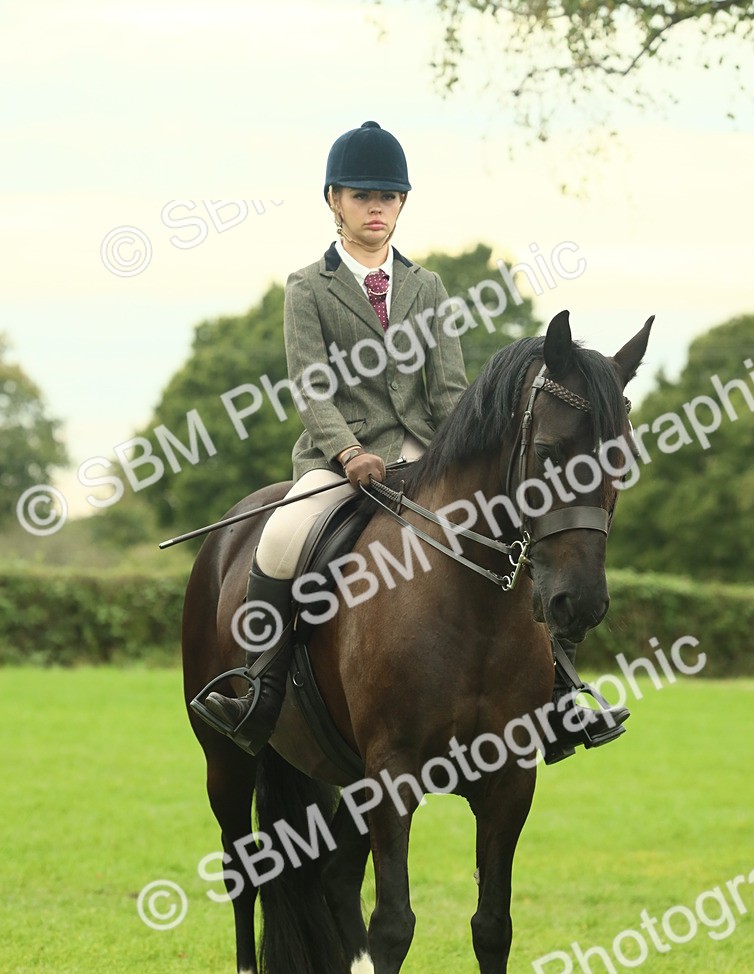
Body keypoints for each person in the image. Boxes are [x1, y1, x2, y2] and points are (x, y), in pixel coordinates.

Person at [191, 120, 628, 762]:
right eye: (363, 195)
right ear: (334, 201)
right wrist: (348, 453)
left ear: (401, 204)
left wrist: (462, 454)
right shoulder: (308, 288)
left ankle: (556, 689)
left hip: (424, 459)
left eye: (389, 197)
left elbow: (450, 390)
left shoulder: (427, 288)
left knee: (508, 532)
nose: (377, 207)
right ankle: (259, 688)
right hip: (336, 466)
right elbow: (311, 388)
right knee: (283, 538)